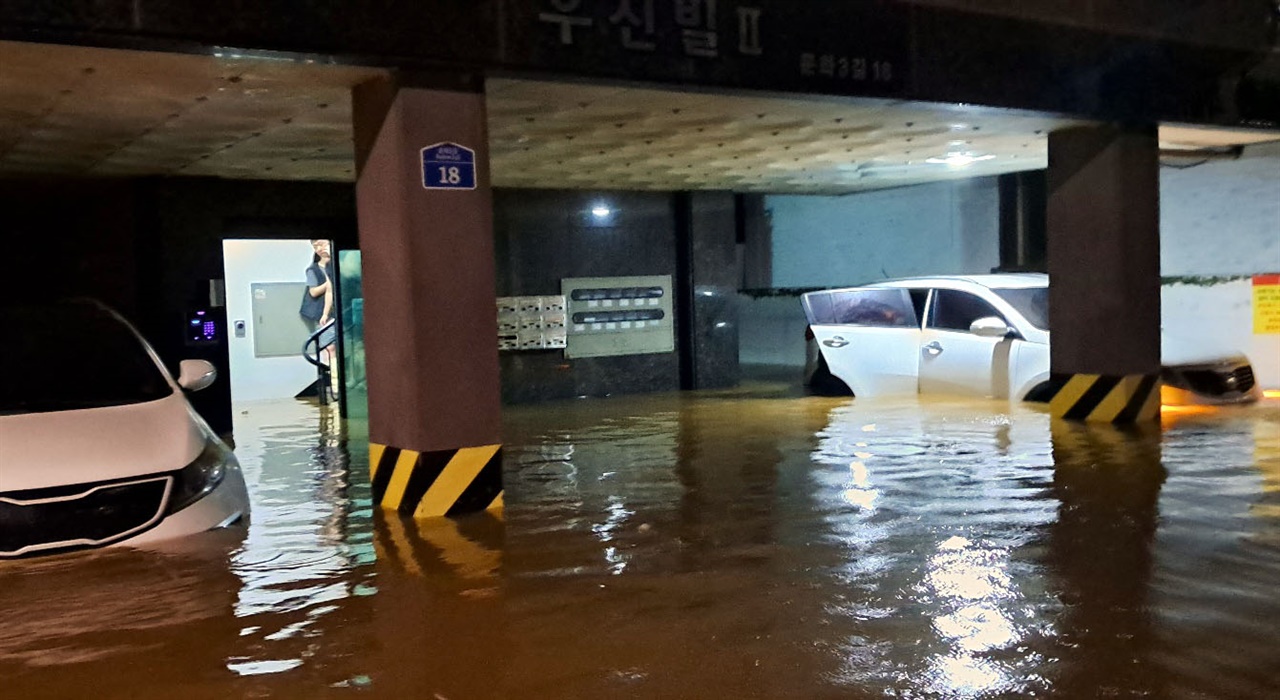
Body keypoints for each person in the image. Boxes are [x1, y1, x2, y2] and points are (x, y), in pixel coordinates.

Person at [300, 239, 337, 396]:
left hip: (338, 312)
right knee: (329, 348)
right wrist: (329, 285)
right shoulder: (314, 269)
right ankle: (335, 385)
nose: (319, 248)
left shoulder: (336, 264)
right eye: (315, 246)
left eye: (322, 244)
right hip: (324, 314)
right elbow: (314, 292)